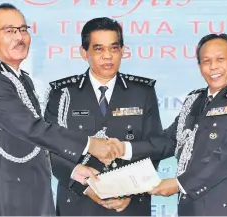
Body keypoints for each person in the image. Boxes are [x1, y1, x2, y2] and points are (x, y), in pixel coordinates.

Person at [0, 4, 118, 216]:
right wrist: (90, 144)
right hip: (3, 198)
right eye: (9, 31)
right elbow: (31, 128)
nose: (19, 37)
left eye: (23, 30)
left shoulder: (21, 79)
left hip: (31, 194)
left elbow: (35, 142)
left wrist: (73, 170)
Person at [110, 33, 227, 216]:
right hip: (192, 209)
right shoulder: (194, 101)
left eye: (220, 59)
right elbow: (169, 141)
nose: (213, 67)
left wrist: (180, 183)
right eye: (206, 61)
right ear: (199, 66)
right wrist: (124, 148)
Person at [44, 17, 163, 216]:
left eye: (114, 48)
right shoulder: (63, 93)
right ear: (84, 53)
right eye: (98, 49)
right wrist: (86, 188)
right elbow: (51, 150)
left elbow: (155, 146)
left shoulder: (143, 92)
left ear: (122, 51)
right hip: (78, 204)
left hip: (130, 206)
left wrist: (132, 191)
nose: (107, 56)